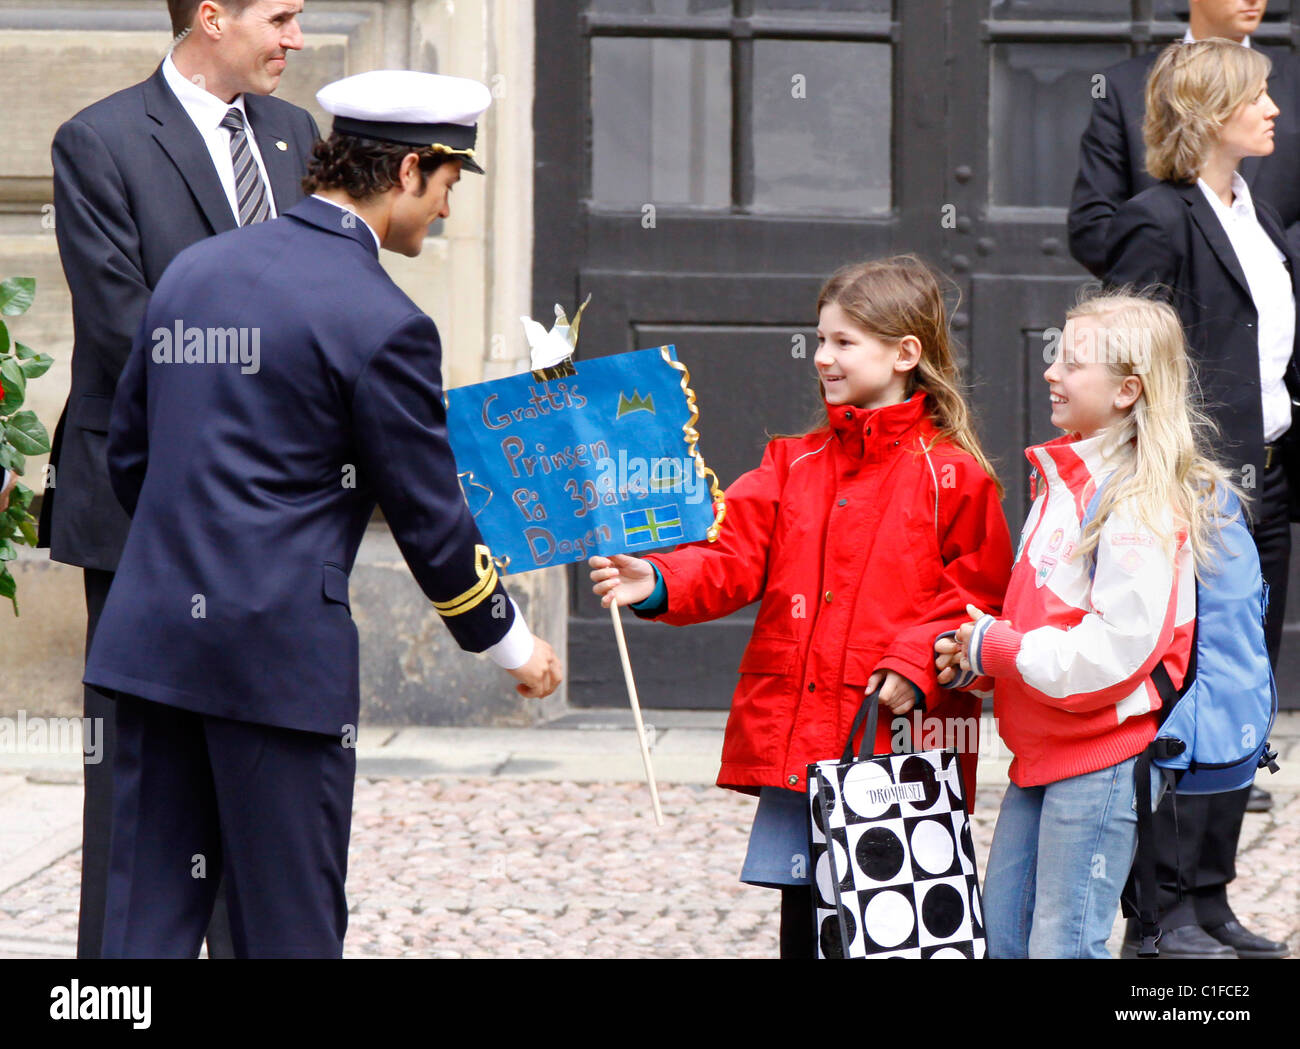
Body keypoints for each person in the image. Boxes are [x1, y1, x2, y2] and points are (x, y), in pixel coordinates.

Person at [82, 69, 563, 958]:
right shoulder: (386, 320)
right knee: (286, 929)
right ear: (410, 168)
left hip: (153, 644)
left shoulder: (195, 268)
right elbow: (431, 520)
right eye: (449, 185)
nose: (448, 211)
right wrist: (512, 642)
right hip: (276, 668)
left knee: (138, 931)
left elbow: (132, 454)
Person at [589, 256, 1014, 959]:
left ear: (906, 353)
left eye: (844, 342)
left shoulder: (954, 476)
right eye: (820, 340)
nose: (822, 357)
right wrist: (659, 578)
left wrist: (917, 661)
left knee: (893, 932)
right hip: (803, 749)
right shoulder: (793, 462)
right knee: (803, 927)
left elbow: (980, 595)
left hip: (895, 751)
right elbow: (731, 556)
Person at [37, 0, 319, 958]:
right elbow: (128, 328)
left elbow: (324, 299)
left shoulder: (293, 135)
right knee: (138, 783)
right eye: (279, 17)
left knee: (258, 774)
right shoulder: (100, 140)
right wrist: (280, 405)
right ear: (211, 17)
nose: (295, 39)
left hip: (272, 524)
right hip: (141, 510)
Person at [938, 292, 1240, 959]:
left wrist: (1006, 647)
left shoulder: (1134, 502)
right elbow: (1048, 615)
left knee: (1064, 946)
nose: (1052, 371)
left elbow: (1118, 649)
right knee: (1007, 940)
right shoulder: (1067, 481)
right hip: (1044, 752)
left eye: (1072, 362)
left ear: (1128, 389)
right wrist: (987, 657)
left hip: (1098, 758)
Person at [1104, 38, 1294, 959]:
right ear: (1210, 113)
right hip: (1194, 486)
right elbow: (1125, 360)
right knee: (1183, 692)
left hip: (1266, 477)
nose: (1272, 112)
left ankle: (1209, 896)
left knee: (1241, 693)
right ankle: (1161, 910)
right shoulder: (1156, 218)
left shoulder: (1253, 214)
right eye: (1256, 98)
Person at [1069, 0, 1300, 275]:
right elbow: (1092, 223)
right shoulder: (1119, 83)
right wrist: (1180, 278)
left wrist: (1269, 264)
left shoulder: (1295, 79)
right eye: (1254, 97)